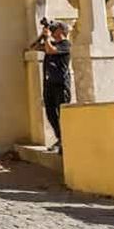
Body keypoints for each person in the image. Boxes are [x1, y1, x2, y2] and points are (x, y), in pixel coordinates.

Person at [31, 20, 72, 154]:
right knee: (50, 114)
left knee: (62, 114)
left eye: (55, 28)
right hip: (49, 85)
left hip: (61, 84)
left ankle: (66, 141)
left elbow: (50, 50)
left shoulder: (66, 45)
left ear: (61, 31)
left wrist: (48, 37)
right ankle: (60, 139)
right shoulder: (51, 43)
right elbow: (34, 47)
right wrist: (42, 36)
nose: (53, 30)